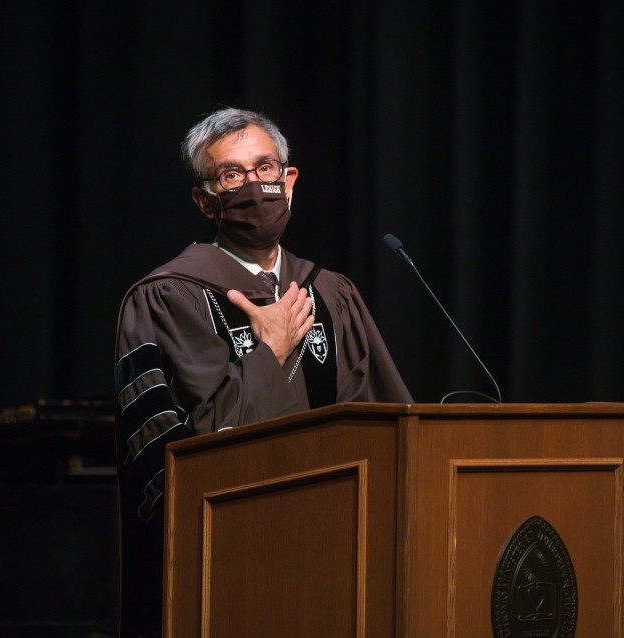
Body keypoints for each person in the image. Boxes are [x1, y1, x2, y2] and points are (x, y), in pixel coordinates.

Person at [113, 107, 411, 637]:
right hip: (230, 563)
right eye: (232, 175)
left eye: (265, 169)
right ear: (205, 200)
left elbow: (387, 425)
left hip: (338, 551)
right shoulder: (168, 297)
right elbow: (183, 460)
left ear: (288, 179)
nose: (255, 186)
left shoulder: (331, 293)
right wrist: (267, 350)